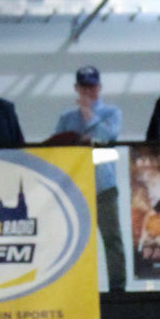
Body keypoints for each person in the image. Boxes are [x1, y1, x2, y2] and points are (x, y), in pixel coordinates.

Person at [53, 64, 125, 292]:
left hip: (104, 185)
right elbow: (56, 147)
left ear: (99, 87)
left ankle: (118, 288)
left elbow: (107, 135)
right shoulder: (66, 118)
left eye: (92, 87)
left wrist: (87, 113)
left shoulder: (112, 113)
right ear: (76, 88)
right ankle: (77, 289)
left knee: (112, 239)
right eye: (84, 88)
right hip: (75, 188)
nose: (88, 92)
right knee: (76, 241)